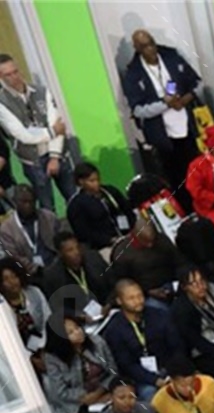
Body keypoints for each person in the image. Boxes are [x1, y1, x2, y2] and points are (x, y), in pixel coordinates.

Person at [120, 30, 202, 191]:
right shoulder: (133, 73)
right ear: (137, 49)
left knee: (198, 171)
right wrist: (166, 104)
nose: (150, 49)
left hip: (189, 128)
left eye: (151, 43)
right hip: (163, 137)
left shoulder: (171, 56)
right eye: (144, 46)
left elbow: (197, 82)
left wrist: (186, 98)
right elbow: (137, 110)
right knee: (177, 179)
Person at [0, 54, 75, 210]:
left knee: (74, 198)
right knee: (47, 206)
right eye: (8, 75)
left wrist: (54, 156)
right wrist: (52, 132)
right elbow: (23, 135)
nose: (14, 77)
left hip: (58, 153)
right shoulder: (2, 103)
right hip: (32, 160)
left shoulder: (42, 91)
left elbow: (57, 124)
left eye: (15, 71)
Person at [102, 278, 186, 396]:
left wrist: (174, 372)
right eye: (131, 298)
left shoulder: (159, 315)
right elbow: (127, 365)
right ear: (119, 301)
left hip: (168, 367)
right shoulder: (114, 329)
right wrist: (155, 380)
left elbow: (176, 346)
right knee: (150, 392)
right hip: (141, 378)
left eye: (140, 296)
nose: (138, 301)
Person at [42, 316, 114, 413]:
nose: (78, 332)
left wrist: (99, 392)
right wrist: (86, 397)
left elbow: (113, 370)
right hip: (79, 403)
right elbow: (60, 391)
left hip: (107, 390)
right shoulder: (53, 358)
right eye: (71, 332)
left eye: (77, 327)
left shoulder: (96, 342)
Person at [108, 217, 180, 301]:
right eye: (146, 241)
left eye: (152, 240)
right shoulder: (122, 254)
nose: (150, 245)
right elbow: (124, 283)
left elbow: (178, 261)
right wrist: (147, 292)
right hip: (145, 293)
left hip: (171, 282)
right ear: (136, 236)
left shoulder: (162, 240)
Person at [41, 232, 108, 320]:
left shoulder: (94, 259)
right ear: (60, 253)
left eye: (77, 247)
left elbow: (113, 284)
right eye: (70, 250)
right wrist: (79, 316)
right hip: (79, 318)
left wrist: (108, 305)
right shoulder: (52, 276)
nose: (76, 252)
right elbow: (58, 307)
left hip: (105, 309)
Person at [1, 257, 50, 369]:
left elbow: (48, 320)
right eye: (6, 279)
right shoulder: (2, 309)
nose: (12, 282)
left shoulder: (34, 293)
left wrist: (44, 349)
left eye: (14, 276)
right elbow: (10, 343)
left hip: (46, 345)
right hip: (20, 357)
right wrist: (30, 358)